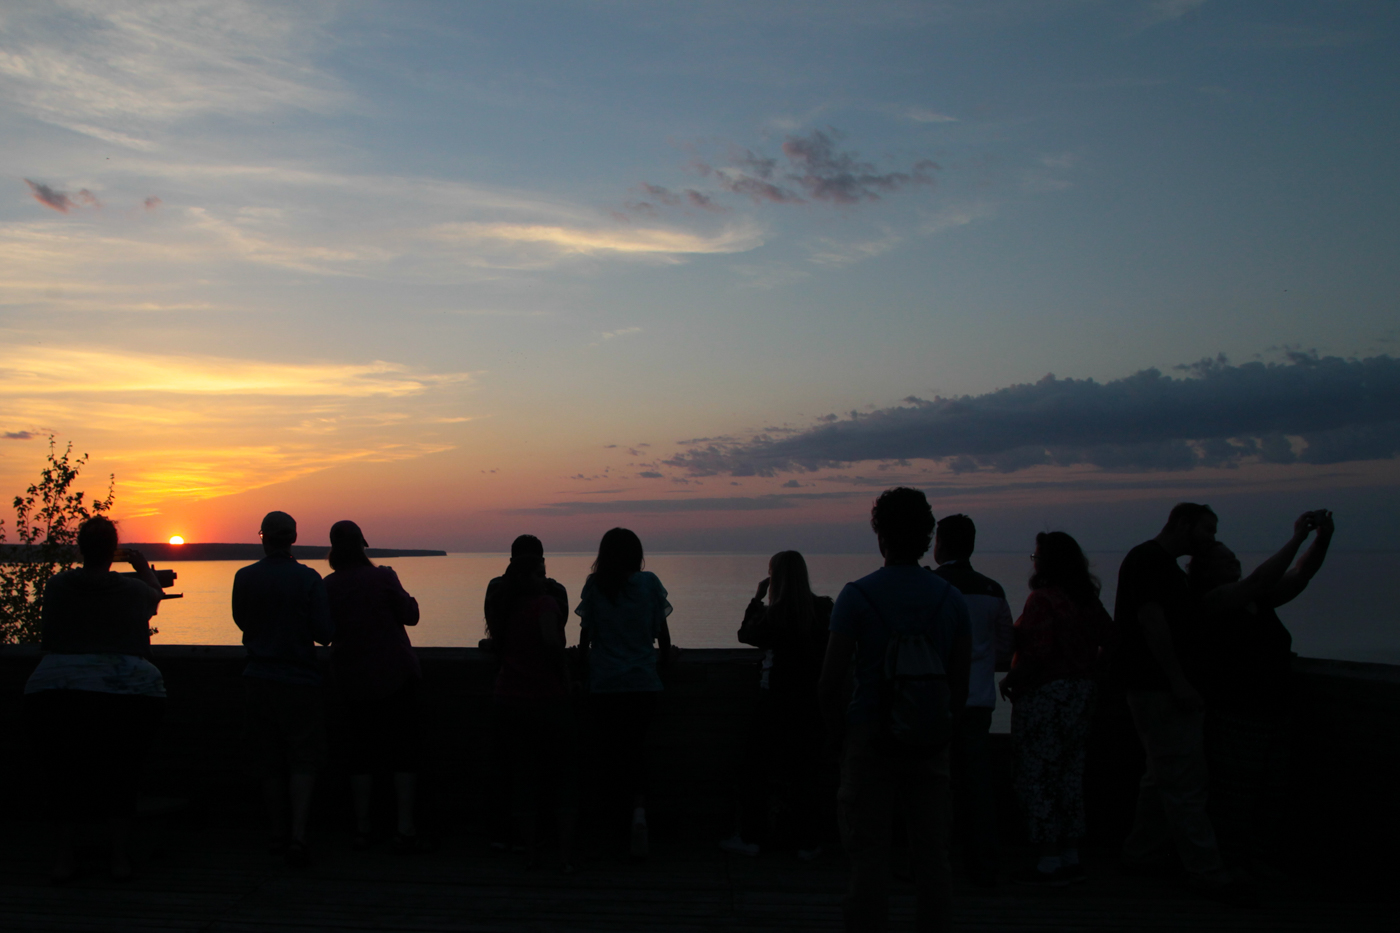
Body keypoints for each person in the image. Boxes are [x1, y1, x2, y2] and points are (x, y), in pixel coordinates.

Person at [1114, 503, 1314, 904]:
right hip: (1160, 689)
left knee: (1161, 776)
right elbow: (1151, 620)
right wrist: (1178, 681)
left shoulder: (1163, 567)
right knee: (1186, 783)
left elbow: (1285, 581)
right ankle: (1206, 871)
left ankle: (1142, 852)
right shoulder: (1149, 559)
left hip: (1158, 687)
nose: (1210, 538)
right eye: (1207, 530)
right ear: (1182, 524)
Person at [820, 487, 971, 933]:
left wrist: (838, 737)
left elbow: (829, 682)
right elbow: (958, 684)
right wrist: (942, 729)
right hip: (930, 743)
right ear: (926, 538)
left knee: (868, 858)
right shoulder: (951, 600)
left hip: (869, 738)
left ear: (880, 535)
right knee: (933, 858)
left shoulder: (856, 597)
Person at [1189, 510, 1334, 879]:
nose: (1234, 560)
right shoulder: (1213, 601)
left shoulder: (1259, 601)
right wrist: (1297, 537)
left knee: (1270, 795)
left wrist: (1322, 538)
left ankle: (1259, 862)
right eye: (1224, 559)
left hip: (1274, 714)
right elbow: (1257, 581)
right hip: (1237, 717)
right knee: (1236, 797)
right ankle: (1231, 865)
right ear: (1206, 571)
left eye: (1233, 556)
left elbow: (1300, 575)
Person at [24, 516, 165, 882]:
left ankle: (64, 859)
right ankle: (119, 859)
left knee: (63, 773)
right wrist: (142, 568)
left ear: (81, 548)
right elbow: (155, 597)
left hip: (57, 692)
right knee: (122, 771)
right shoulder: (132, 590)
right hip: (124, 695)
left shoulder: (56, 586)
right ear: (113, 551)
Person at [999, 531, 1114, 885]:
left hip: (1047, 697)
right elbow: (1110, 639)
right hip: (1081, 694)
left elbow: (1038, 651)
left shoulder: (1042, 600)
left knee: (1037, 776)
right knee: (1069, 775)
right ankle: (1070, 854)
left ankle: (1048, 860)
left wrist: (1011, 677)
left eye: (1036, 557)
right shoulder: (1087, 601)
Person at [232, 510, 333, 867]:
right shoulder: (309, 578)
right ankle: (298, 835)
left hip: (258, 678)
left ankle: (276, 832)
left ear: (263, 537)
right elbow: (324, 634)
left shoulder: (244, 577)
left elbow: (242, 621)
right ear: (293, 538)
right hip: (301, 681)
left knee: (268, 758)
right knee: (302, 757)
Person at [722, 550, 833, 858]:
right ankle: (805, 841)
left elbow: (745, 634)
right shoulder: (823, 609)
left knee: (756, 770)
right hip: (810, 701)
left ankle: (752, 837)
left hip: (775, 702)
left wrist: (756, 599)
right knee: (805, 772)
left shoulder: (772, 615)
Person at [323, 520, 423, 852]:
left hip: (352, 680)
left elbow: (323, 634)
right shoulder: (384, 577)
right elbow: (411, 616)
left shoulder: (328, 586)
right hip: (396, 676)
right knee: (404, 753)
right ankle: (404, 828)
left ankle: (363, 827)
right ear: (362, 545)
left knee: (360, 756)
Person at [575, 527, 673, 859]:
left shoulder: (596, 586)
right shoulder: (649, 585)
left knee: (610, 756)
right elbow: (663, 636)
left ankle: (612, 830)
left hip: (605, 686)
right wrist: (670, 656)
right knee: (637, 751)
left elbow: (585, 640)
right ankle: (640, 813)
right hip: (643, 684)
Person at [930, 513, 1013, 887]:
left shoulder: (931, 587)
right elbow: (1004, 648)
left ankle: (934, 862)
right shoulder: (993, 590)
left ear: (940, 544)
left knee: (934, 786)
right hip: (979, 700)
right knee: (978, 787)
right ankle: (985, 865)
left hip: (936, 703)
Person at [485, 534, 577, 871]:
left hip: (507, 695)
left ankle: (525, 848)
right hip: (548, 698)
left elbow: (496, 638)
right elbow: (555, 638)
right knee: (561, 775)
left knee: (517, 774)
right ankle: (562, 853)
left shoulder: (498, 593)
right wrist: (563, 676)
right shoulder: (554, 595)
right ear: (539, 562)